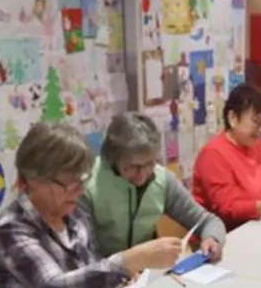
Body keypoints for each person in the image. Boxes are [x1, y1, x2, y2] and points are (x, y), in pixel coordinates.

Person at [0, 122, 182, 288]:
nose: (79, 191)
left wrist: (119, 283)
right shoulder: (12, 228)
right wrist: (126, 261)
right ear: (34, 180)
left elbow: (88, 270)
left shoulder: (73, 214)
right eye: (68, 184)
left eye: (81, 181)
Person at [82, 112, 227, 261]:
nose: (143, 174)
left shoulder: (161, 179)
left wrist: (212, 239)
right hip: (104, 275)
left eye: (150, 163)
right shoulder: (88, 185)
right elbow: (84, 253)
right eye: (134, 167)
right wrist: (120, 269)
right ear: (113, 158)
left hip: (147, 271)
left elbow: (208, 221)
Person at [192, 84, 261, 230]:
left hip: (260, 227)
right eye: (255, 122)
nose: (260, 131)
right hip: (225, 236)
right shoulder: (213, 154)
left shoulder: (260, 146)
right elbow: (228, 209)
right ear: (233, 118)